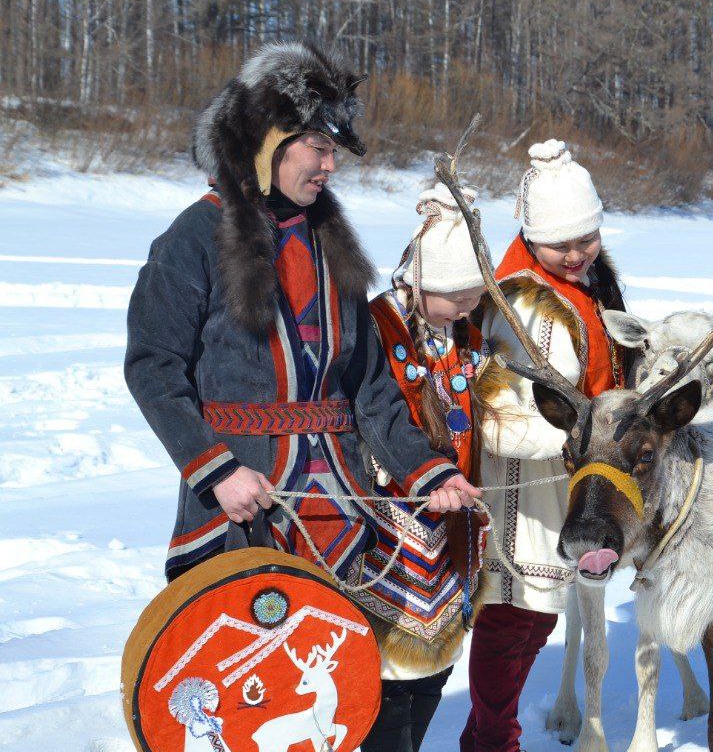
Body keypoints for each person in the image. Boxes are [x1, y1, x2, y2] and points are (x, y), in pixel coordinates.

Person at [124, 42, 478, 593]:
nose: (331, 165)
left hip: (340, 513)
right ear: (270, 144)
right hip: (242, 507)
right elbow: (153, 369)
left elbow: (368, 386)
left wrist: (426, 469)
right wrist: (215, 471)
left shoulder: (330, 243)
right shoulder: (192, 237)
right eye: (318, 147)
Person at [454, 139, 632, 752]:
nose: (577, 252)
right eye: (561, 243)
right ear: (532, 238)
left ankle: (481, 746)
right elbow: (495, 413)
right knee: (512, 619)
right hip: (521, 486)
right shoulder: (521, 303)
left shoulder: (586, 286)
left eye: (585, 236)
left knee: (535, 620)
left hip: (569, 477)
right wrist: (571, 436)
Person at [351, 182, 506, 752]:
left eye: (476, 294)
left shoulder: (465, 334)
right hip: (388, 527)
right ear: (418, 283)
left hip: (453, 529)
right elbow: (363, 413)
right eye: (456, 294)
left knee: (439, 653)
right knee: (388, 661)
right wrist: (410, 475)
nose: (468, 306)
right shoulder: (374, 325)